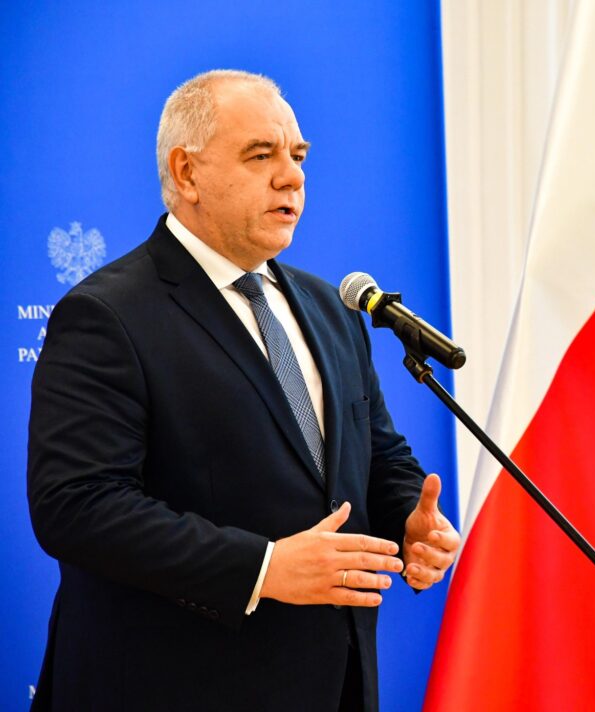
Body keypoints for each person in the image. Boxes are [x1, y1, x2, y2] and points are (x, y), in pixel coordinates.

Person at [26, 69, 459, 712]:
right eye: (262, 155)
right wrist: (263, 568)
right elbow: (78, 505)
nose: (292, 176)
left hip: (329, 682)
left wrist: (407, 522)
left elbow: (375, 457)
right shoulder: (108, 315)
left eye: (298, 155)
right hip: (173, 685)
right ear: (188, 172)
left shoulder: (330, 308)